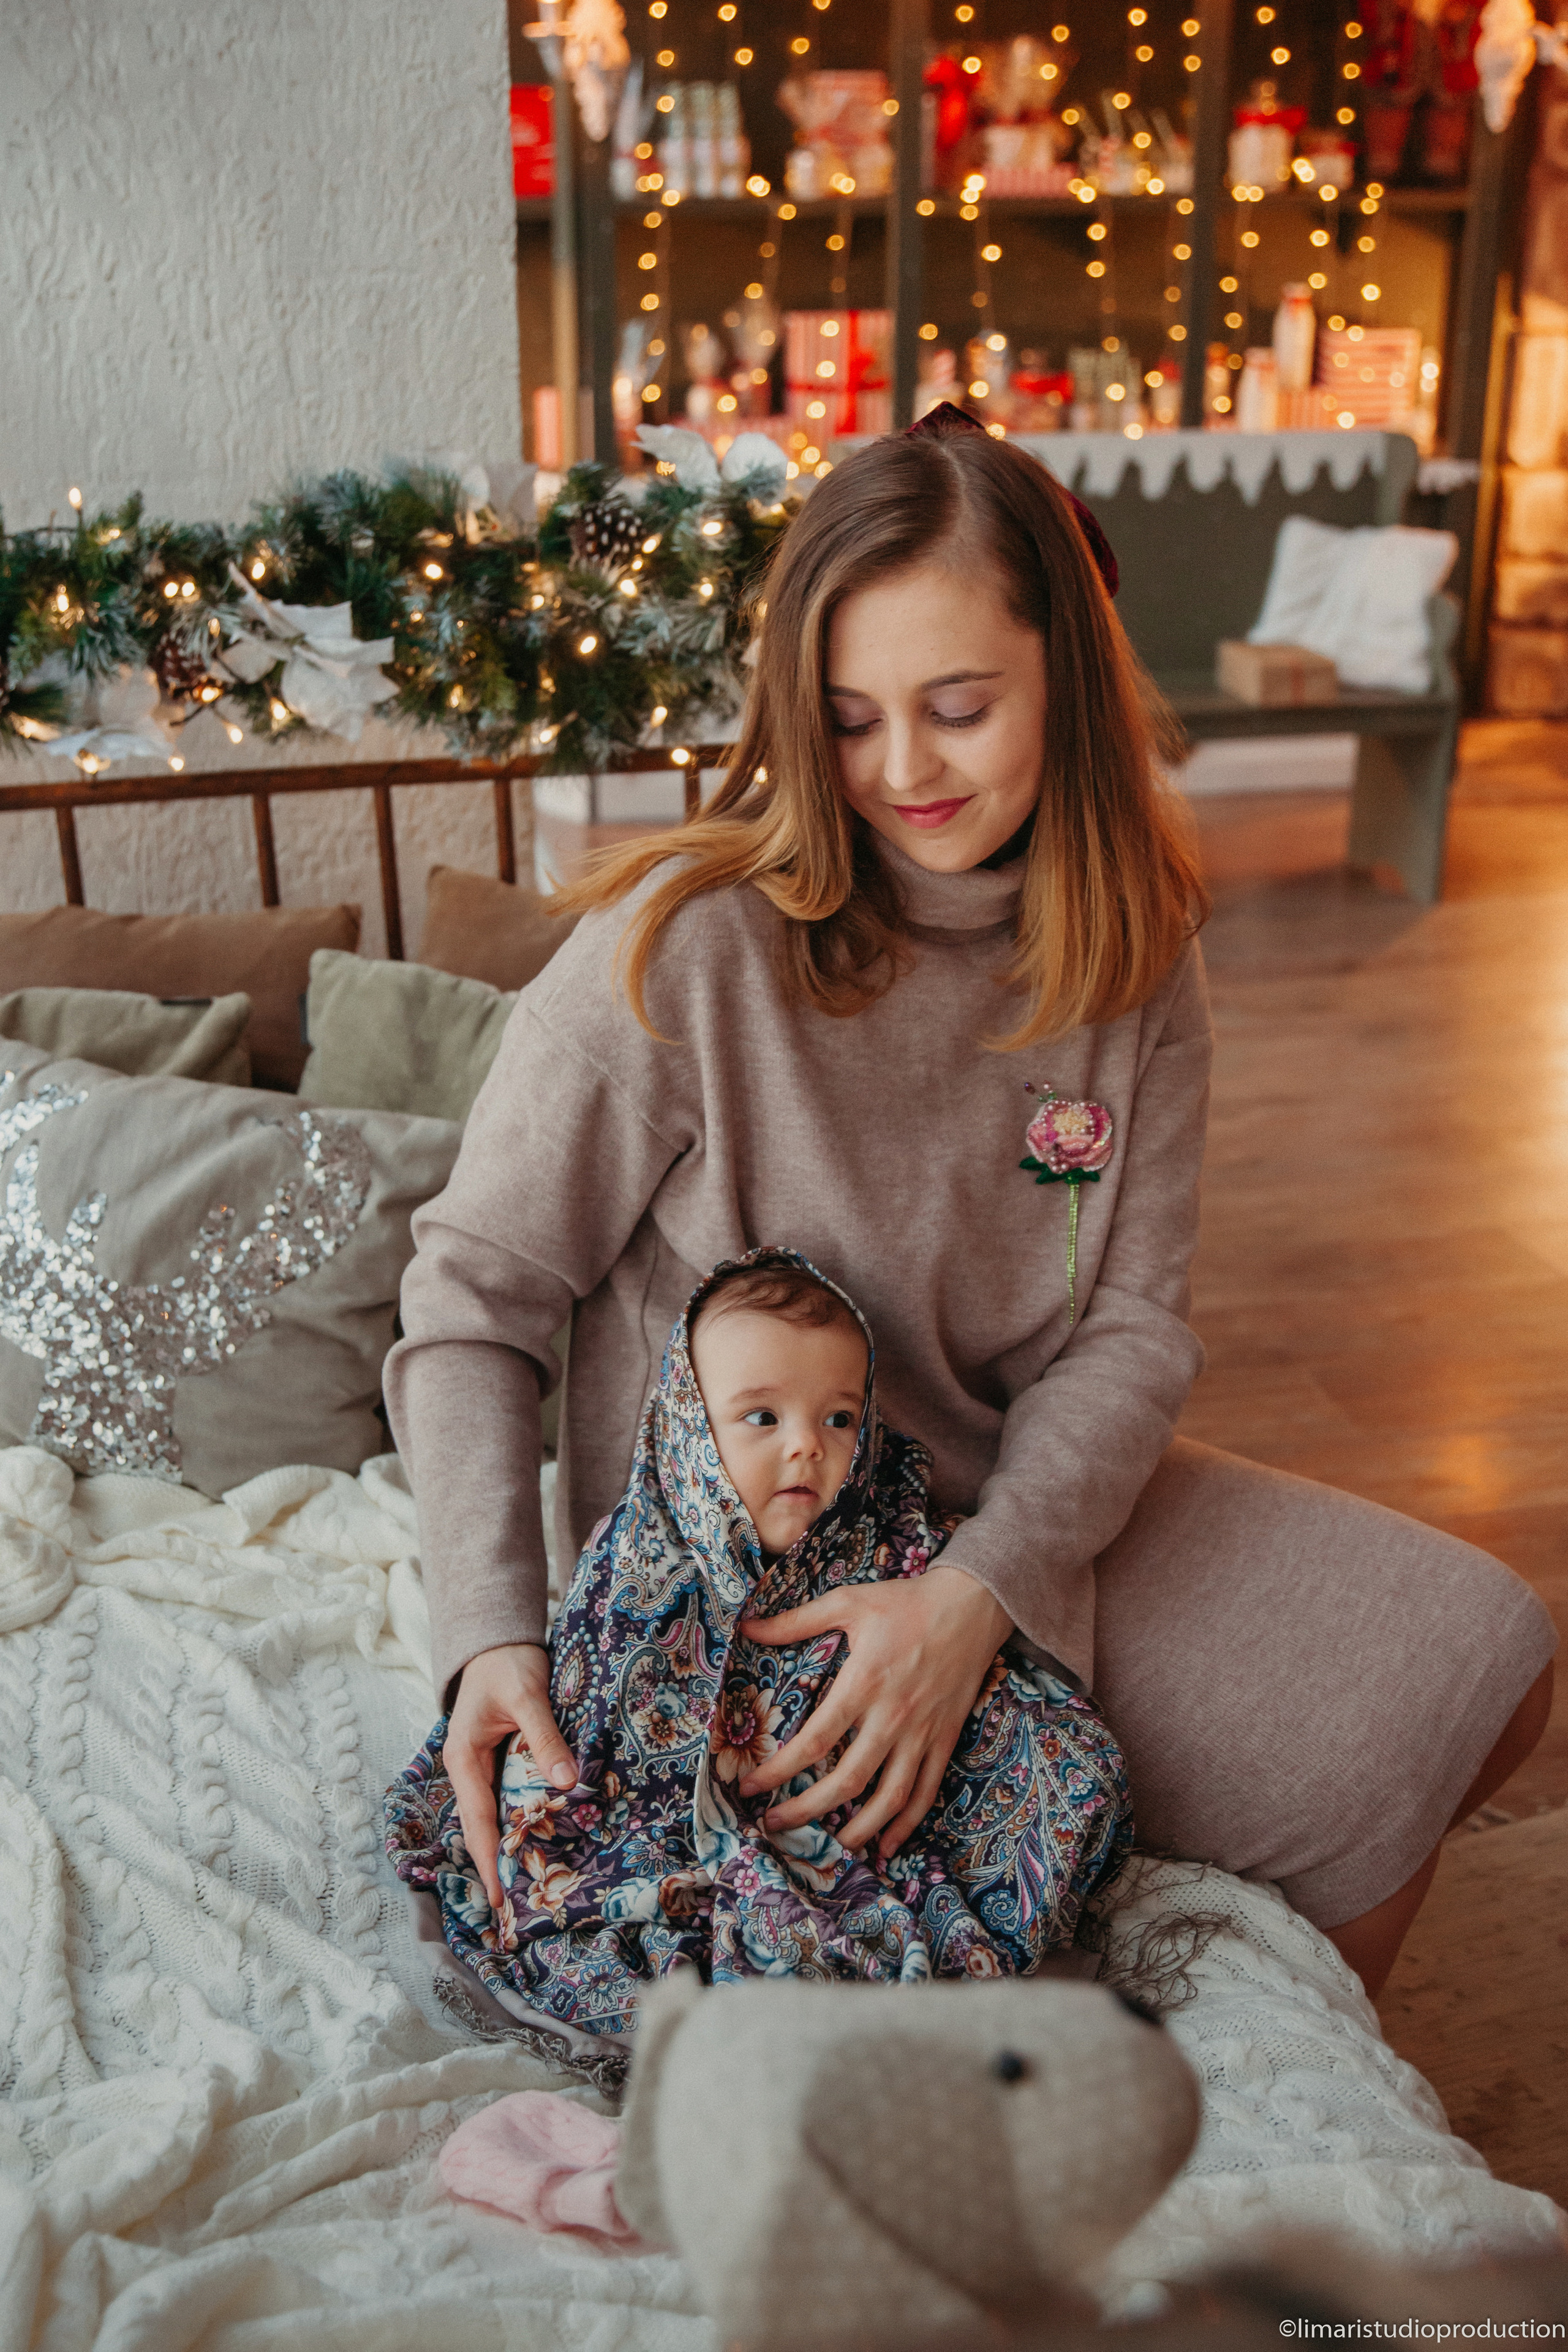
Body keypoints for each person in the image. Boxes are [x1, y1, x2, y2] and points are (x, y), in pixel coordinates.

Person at [385, 406, 1555, 2000]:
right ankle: (1206, 2066)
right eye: (853, 720)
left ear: (1067, 675)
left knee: (1488, 1661)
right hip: (757, 1581)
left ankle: (1294, 2048)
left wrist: (977, 1599)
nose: (906, 772)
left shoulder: (1136, 951)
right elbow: (470, 1305)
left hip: (1009, 1511)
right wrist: (489, 1636)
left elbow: (1130, 1333)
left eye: (957, 706)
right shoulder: (686, 951)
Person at [383, 1250, 1132, 2036]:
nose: (807, 1446)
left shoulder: (885, 1531)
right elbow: (600, 1717)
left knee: (1062, 1755)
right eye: (762, 1418)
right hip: (706, 1813)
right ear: (689, 1429)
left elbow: (943, 1647)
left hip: (867, 1790)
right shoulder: (642, 1565)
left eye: (838, 1418)